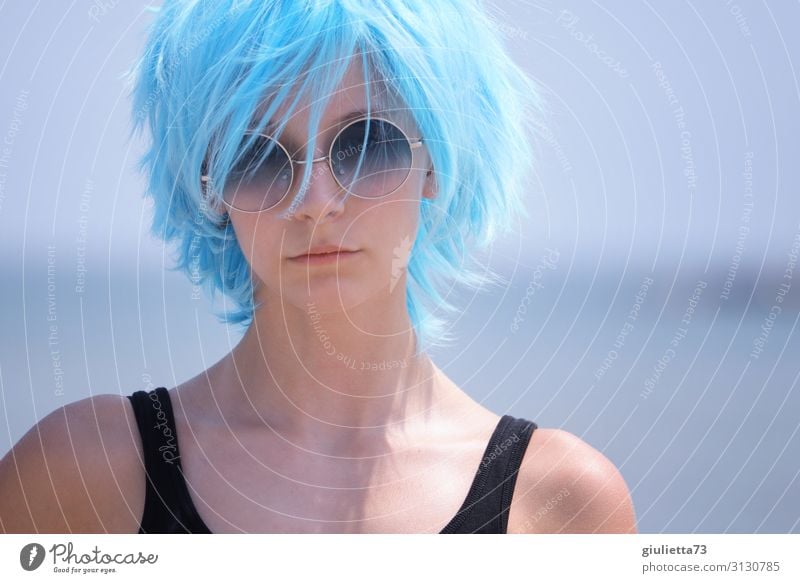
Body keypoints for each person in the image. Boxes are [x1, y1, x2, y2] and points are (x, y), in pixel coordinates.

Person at [0, 0, 637, 534]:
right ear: (210, 186)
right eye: (259, 155)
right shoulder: (85, 471)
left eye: (366, 143)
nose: (318, 203)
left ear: (438, 161)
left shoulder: (558, 506)